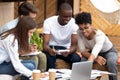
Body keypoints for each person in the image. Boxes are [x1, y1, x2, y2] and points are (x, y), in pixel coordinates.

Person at [0, 1, 46, 72]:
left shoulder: (24, 29)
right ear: (22, 17)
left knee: (40, 58)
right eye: (31, 18)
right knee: (32, 63)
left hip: (9, 58)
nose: (33, 21)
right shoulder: (10, 33)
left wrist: (29, 48)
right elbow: (15, 60)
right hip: (5, 61)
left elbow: (21, 46)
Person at [75, 12, 118, 80]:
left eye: (86, 28)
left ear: (91, 25)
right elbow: (83, 51)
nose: (84, 31)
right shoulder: (79, 32)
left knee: (111, 62)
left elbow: (94, 54)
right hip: (93, 52)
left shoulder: (99, 35)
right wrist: (96, 58)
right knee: (83, 61)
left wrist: (93, 58)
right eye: (81, 28)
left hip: (109, 51)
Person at [43, 3, 81, 70]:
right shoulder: (48, 22)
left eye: (69, 16)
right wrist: (50, 50)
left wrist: (69, 51)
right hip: (52, 47)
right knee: (49, 59)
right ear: (58, 13)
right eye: (65, 16)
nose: (67, 19)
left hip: (66, 49)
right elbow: (45, 45)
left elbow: (74, 45)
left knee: (76, 58)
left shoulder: (74, 23)